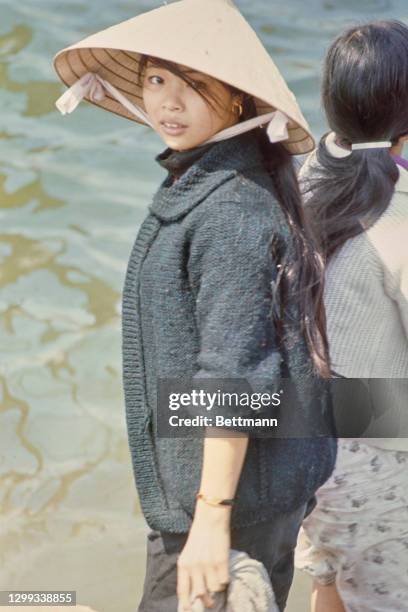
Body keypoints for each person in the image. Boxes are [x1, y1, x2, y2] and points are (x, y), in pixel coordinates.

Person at [53, 1, 336, 610]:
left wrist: (212, 520)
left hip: (231, 505)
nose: (167, 103)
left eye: (192, 87)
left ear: (237, 100)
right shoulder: (208, 181)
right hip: (239, 493)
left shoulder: (232, 209)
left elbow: (235, 374)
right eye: (156, 80)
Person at [294, 20, 408, 612]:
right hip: (380, 458)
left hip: (301, 447)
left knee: (329, 580)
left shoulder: (297, 183)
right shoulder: (400, 219)